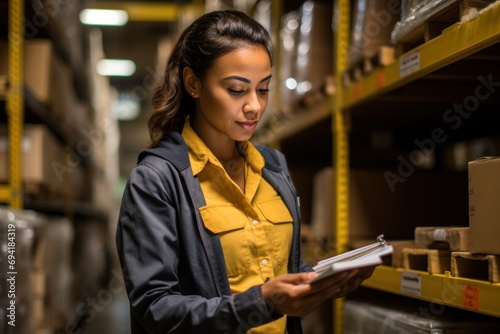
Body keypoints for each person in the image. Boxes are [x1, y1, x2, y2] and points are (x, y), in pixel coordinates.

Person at [116, 9, 374, 334]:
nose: (254, 105)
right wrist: (261, 303)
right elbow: (154, 307)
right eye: (237, 90)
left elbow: (274, 269)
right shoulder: (157, 180)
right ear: (193, 83)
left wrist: (323, 278)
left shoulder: (273, 167)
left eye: (263, 89)